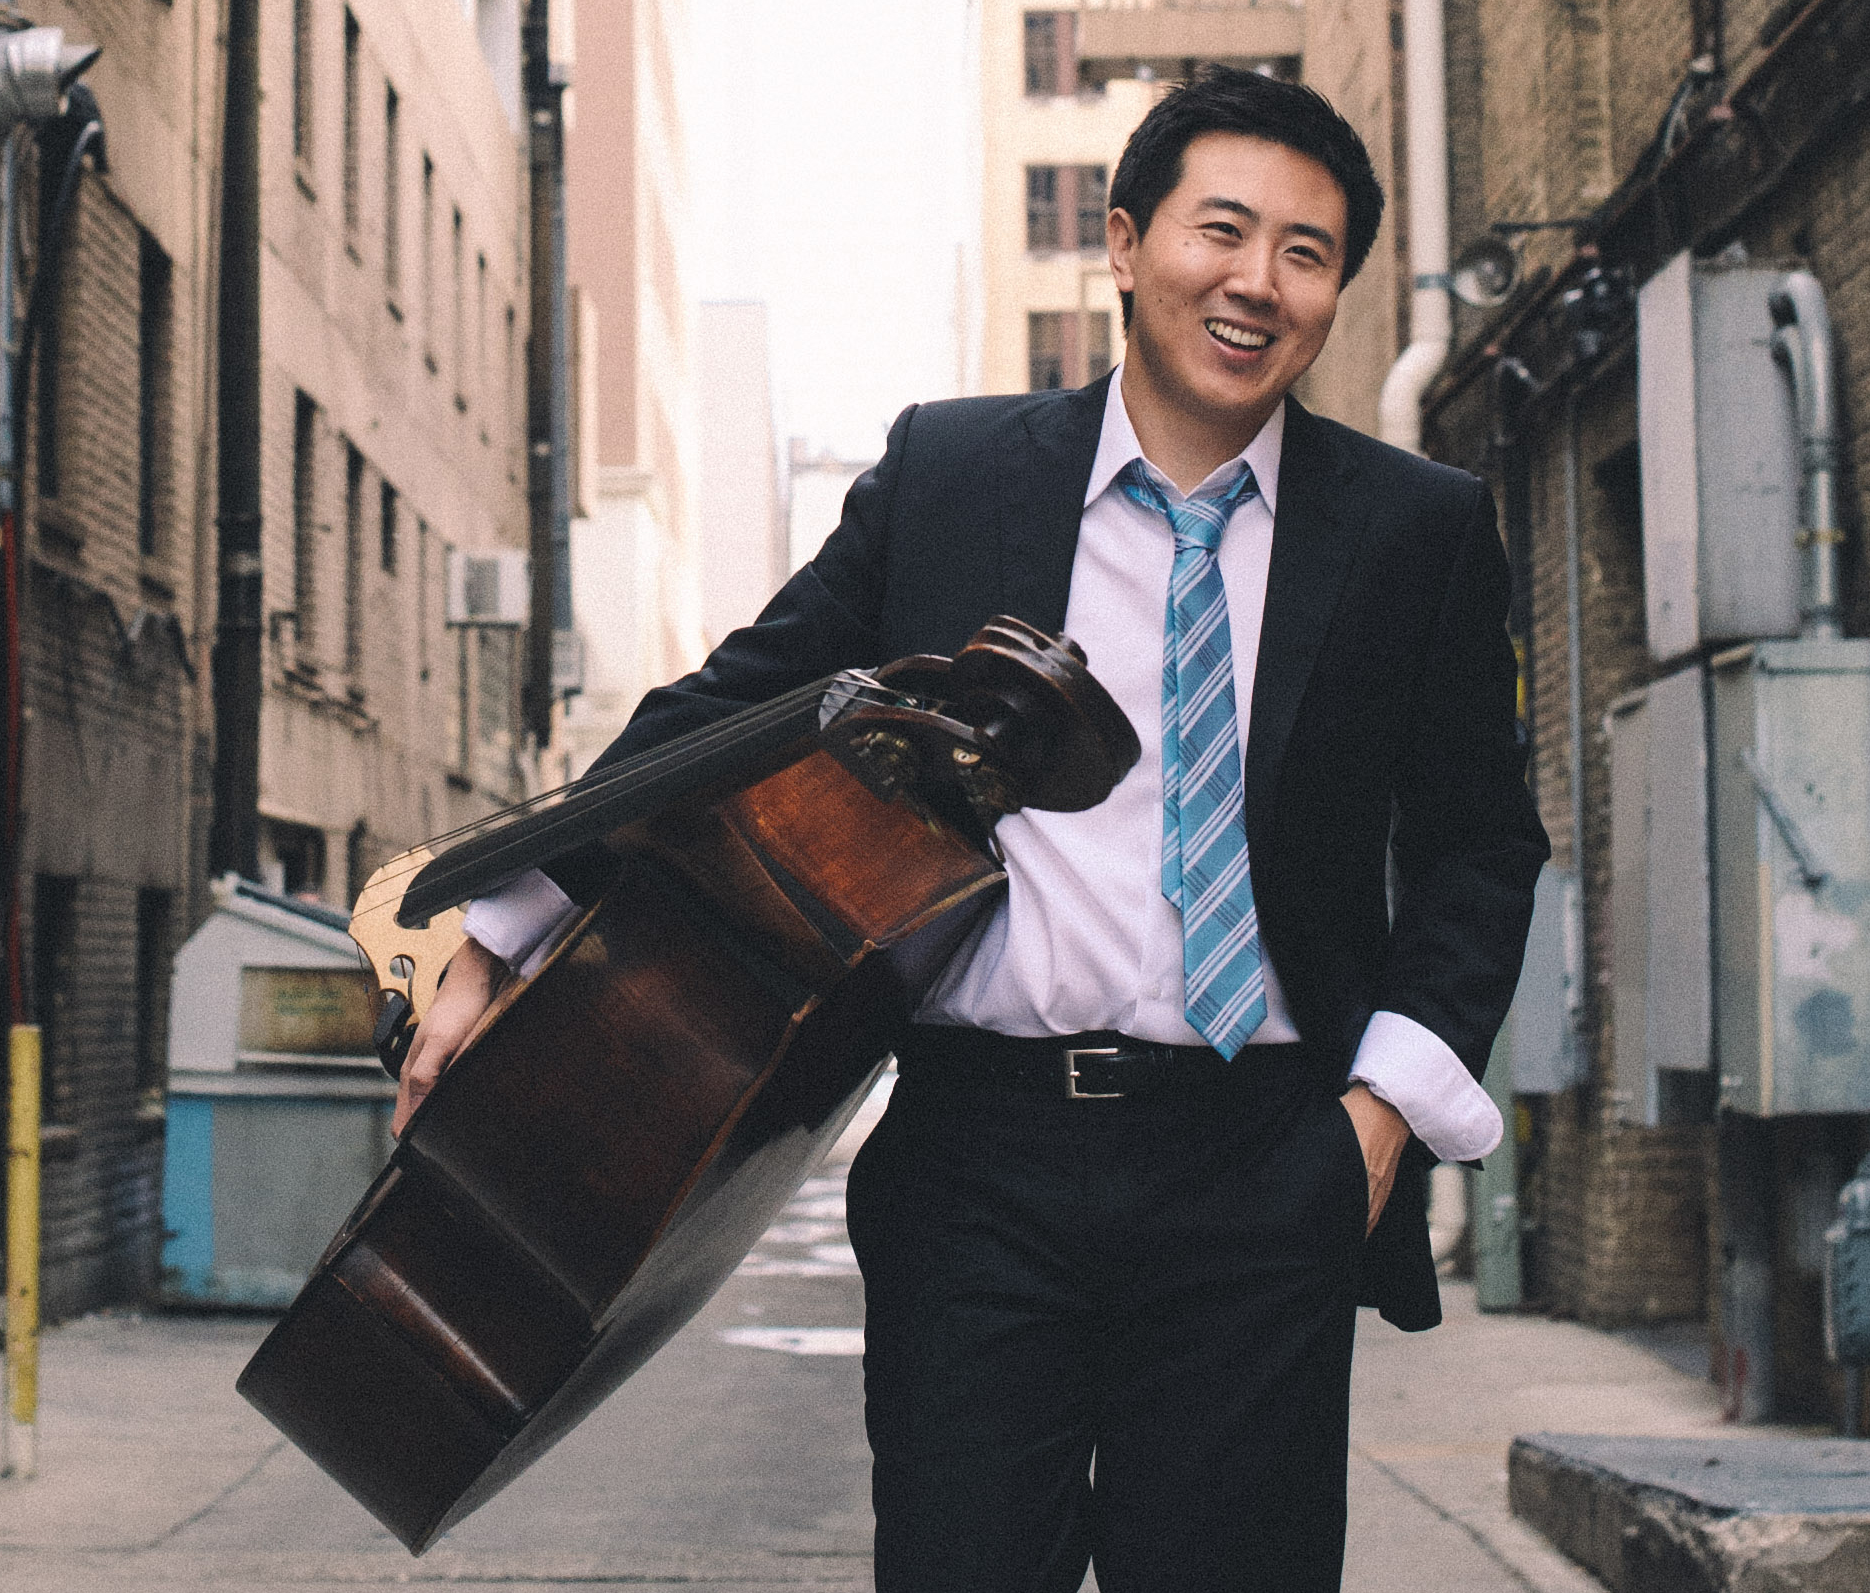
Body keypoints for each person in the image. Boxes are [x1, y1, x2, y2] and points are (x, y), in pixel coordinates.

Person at [392, 67, 1547, 1593]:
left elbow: (1479, 845)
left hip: (1265, 1159)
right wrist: (496, 927)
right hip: (982, 1163)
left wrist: (1376, 1124)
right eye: (1222, 230)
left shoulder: (1414, 530)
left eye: (1307, 251)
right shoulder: (955, 477)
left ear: (1337, 286)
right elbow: (733, 712)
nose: (1256, 283)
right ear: (1126, 244)